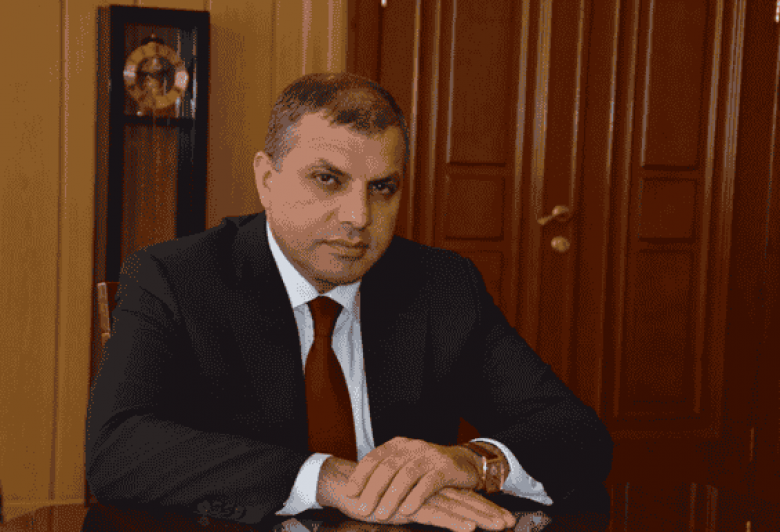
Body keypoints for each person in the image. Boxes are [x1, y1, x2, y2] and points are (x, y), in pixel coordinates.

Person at [86, 72, 613, 530]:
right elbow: (117, 449)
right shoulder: (175, 278)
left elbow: (577, 434)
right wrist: (325, 478)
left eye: (382, 188)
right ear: (266, 180)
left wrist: (473, 463)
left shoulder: (442, 285)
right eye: (328, 179)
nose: (359, 217)